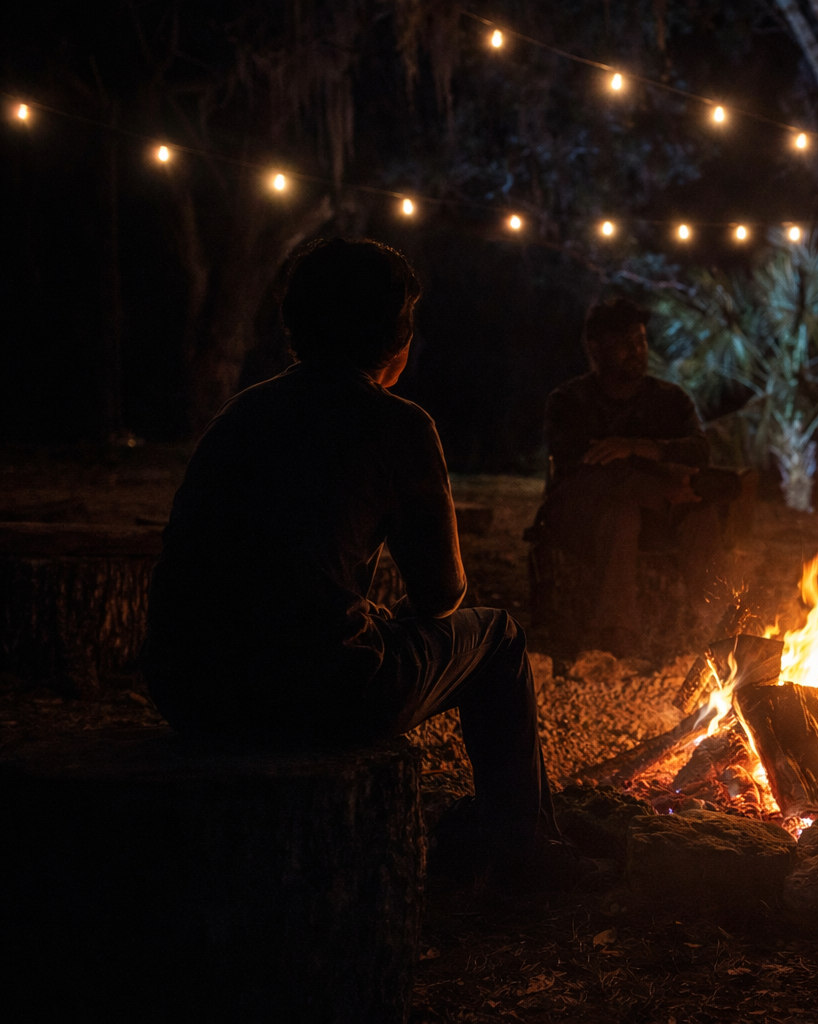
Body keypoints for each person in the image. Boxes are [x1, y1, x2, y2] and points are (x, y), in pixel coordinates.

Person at [142, 237, 560, 880]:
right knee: (499, 638)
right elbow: (442, 597)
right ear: (396, 338)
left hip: (189, 688)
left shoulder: (242, 413)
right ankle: (515, 849)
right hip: (317, 696)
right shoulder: (400, 424)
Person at [536, 297, 725, 655]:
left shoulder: (669, 400)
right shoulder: (570, 401)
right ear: (596, 347)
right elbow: (580, 465)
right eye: (625, 344)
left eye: (640, 341)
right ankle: (617, 638)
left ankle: (713, 632)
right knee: (619, 513)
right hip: (585, 514)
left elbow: (699, 450)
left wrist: (638, 447)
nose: (637, 351)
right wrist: (659, 482)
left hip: (658, 510)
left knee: (701, 517)